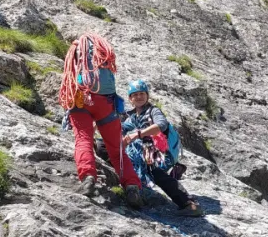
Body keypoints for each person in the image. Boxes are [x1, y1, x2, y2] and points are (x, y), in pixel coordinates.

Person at [59, 33, 143, 207]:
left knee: (83, 140)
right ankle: (132, 186)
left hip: (80, 100)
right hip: (106, 102)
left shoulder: (76, 47)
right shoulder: (103, 50)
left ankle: (88, 177)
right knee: (116, 149)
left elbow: (70, 73)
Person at [122, 79, 202, 217]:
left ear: (147, 95)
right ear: (130, 99)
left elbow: (161, 125)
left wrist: (138, 134)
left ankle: (189, 203)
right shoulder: (132, 117)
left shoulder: (153, 111)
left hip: (161, 154)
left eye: (142, 93)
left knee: (155, 172)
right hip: (143, 154)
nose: (139, 97)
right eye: (135, 95)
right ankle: (136, 192)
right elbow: (121, 128)